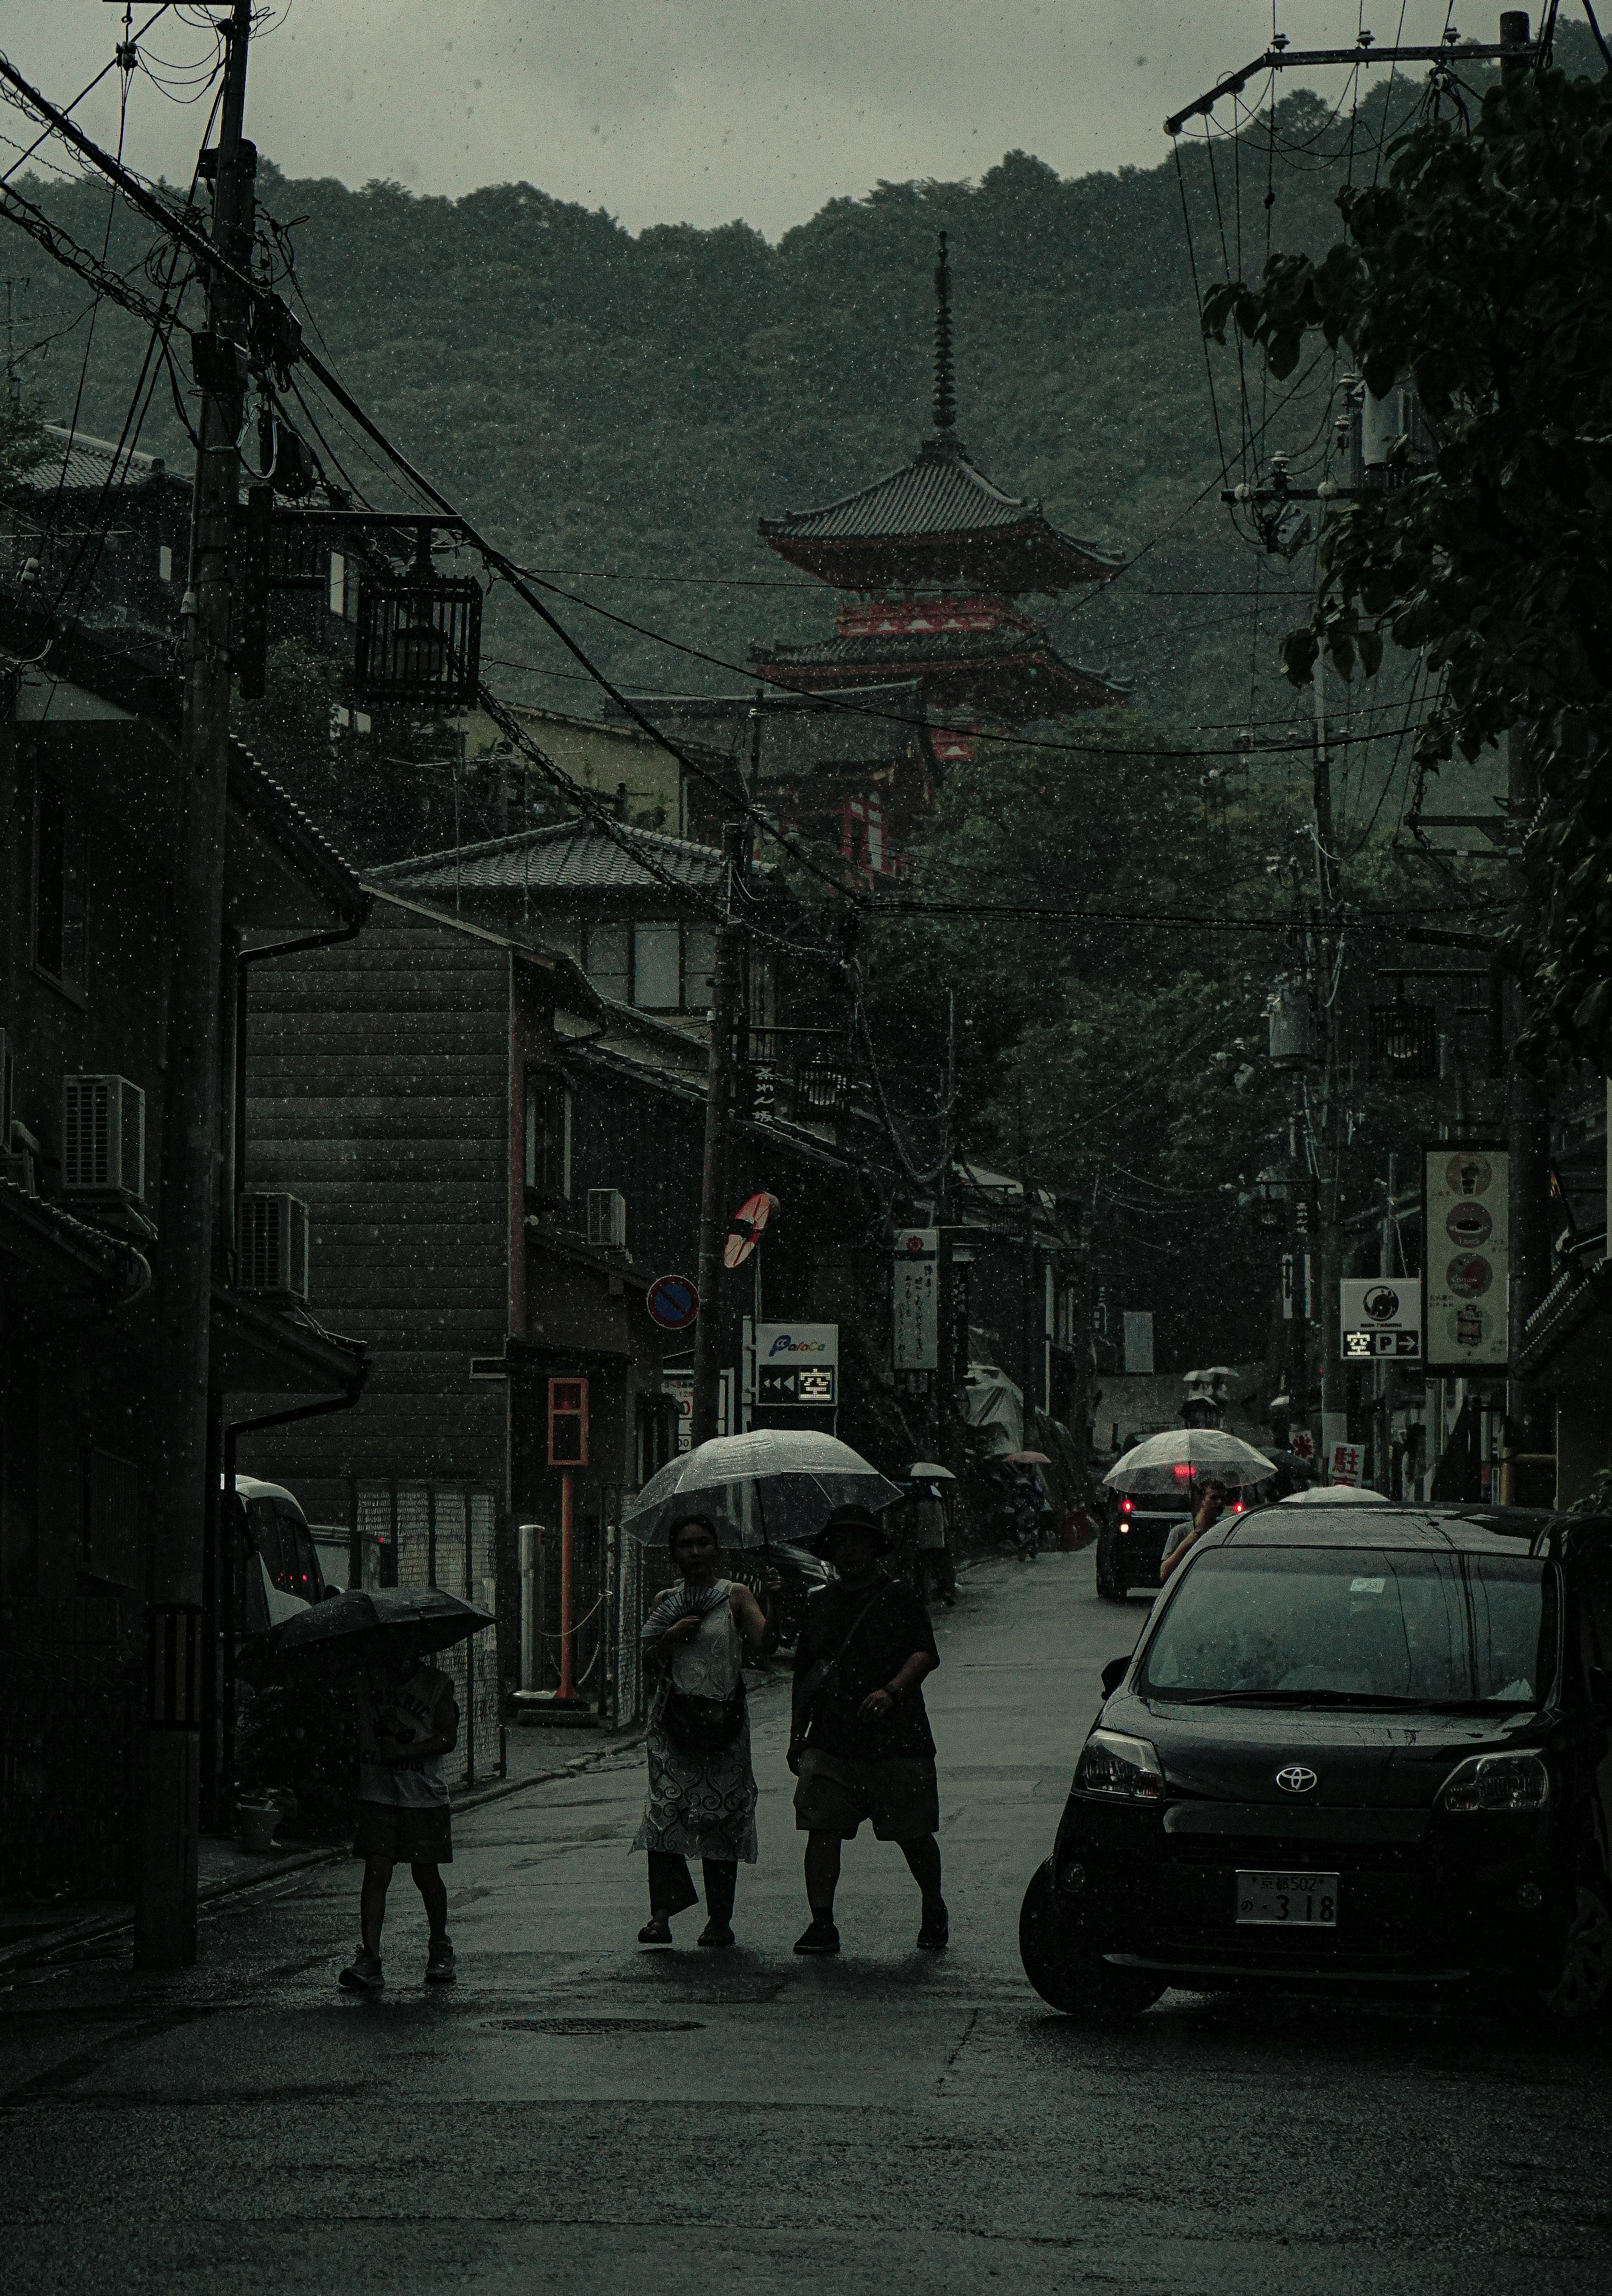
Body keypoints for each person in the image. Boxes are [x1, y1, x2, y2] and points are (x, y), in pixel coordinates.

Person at [788, 1503, 947, 1957]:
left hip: (898, 1739)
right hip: (833, 1738)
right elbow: (806, 1675)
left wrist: (891, 1691)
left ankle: (933, 1906)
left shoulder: (899, 1597)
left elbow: (924, 1654)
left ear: (875, 1549)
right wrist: (797, 1734)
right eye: (842, 1543)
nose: (850, 1552)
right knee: (821, 1829)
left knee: (912, 1832)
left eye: (858, 1542)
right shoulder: (819, 1604)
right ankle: (821, 1921)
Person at [633, 1513, 777, 1949]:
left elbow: (766, 1646)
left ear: (717, 1549)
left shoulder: (736, 1596)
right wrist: (670, 1636)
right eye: (686, 1545)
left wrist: (775, 1602)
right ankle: (661, 1917)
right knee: (665, 1813)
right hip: (673, 1724)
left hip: (724, 1723)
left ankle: (720, 1921)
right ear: (674, 1553)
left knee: (721, 1816)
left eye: (703, 1543)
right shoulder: (666, 1600)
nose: (695, 1553)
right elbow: (648, 1663)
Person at [340, 1647, 460, 1992]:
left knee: (426, 1873)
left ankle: (440, 1945)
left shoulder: (437, 1685)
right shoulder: (366, 1682)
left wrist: (404, 1751)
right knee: (376, 1870)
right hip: (379, 1792)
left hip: (423, 1796)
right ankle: (371, 1958)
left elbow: (447, 1738)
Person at [1159, 1476, 1230, 1584]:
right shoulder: (1181, 1532)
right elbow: (1165, 1574)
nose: (1220, 1502)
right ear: (1202, 1501)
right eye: (1214, 1498)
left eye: (1223, 1499)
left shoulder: (1224, 1532)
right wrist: (1186, 1544)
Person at [909, 1478, 955, 1607]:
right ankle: (946, 1592)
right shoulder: (938, 1505)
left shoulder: (920, 1506)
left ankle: (924, 1596)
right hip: (938, 1543)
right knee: (939, 1569)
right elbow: (945, 1525)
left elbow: (916, 1523)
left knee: (923, 1570)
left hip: (924, 1543)